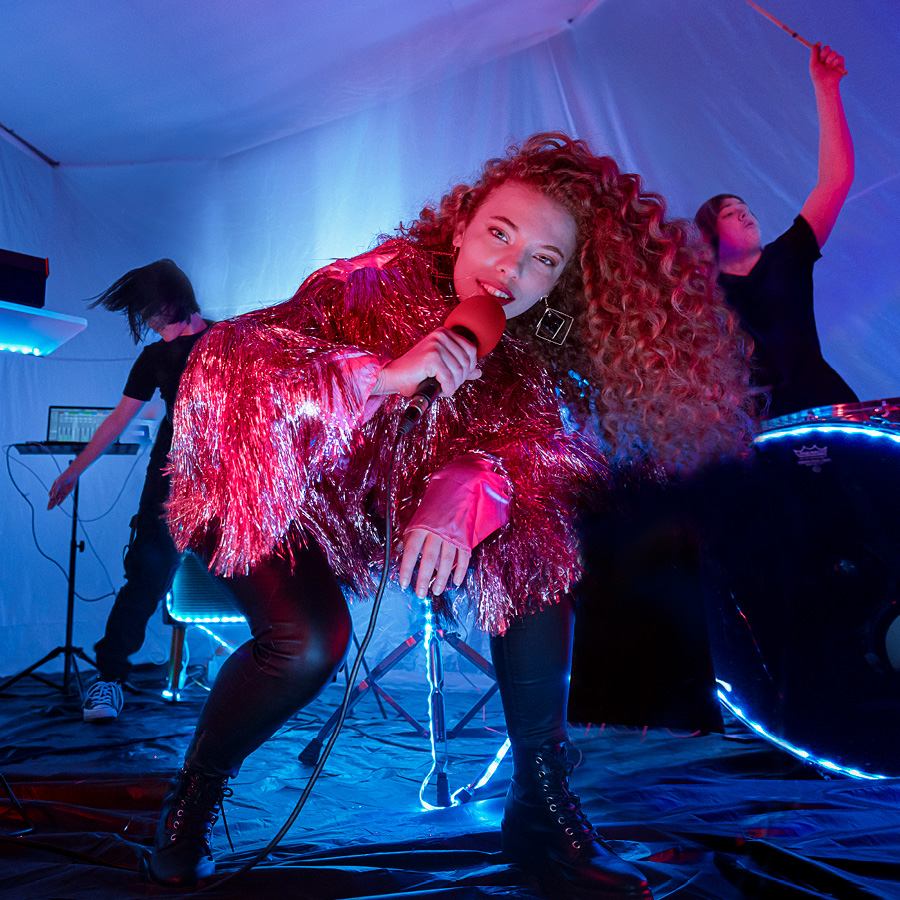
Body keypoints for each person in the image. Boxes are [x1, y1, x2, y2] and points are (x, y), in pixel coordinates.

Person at [148, 134, 749, 898]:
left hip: (377, 503)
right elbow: (230, 359)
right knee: (307, 644)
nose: (508, 268)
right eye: (500, 234)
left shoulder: (533, 337)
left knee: (535, 537)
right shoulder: (371, 282)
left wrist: (478, 477)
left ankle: (540, 805)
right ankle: (192, 801)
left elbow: (543, 447)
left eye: (543, 259)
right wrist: (377, 376)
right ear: (462, 223)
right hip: (275, 488)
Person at [47, 260, 210, 722]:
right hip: (170, 474)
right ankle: (110, 680)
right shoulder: (154, 357)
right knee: (145, 576)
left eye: (153, 311)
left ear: (174, 300)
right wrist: (74, 470)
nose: (150, 322)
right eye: (144, 314)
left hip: (225, 476)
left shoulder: (223, 342)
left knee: (253, 572)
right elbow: (119, 419)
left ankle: (274, 671)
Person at [694, 43, 858, 421]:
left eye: (747, 209)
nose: (746, 215)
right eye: (731, 213)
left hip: (828, 407)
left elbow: (835, 180)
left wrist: (826, 86)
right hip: (758, 424)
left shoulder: (787, 254)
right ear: (709, 234)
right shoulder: (703, 293)